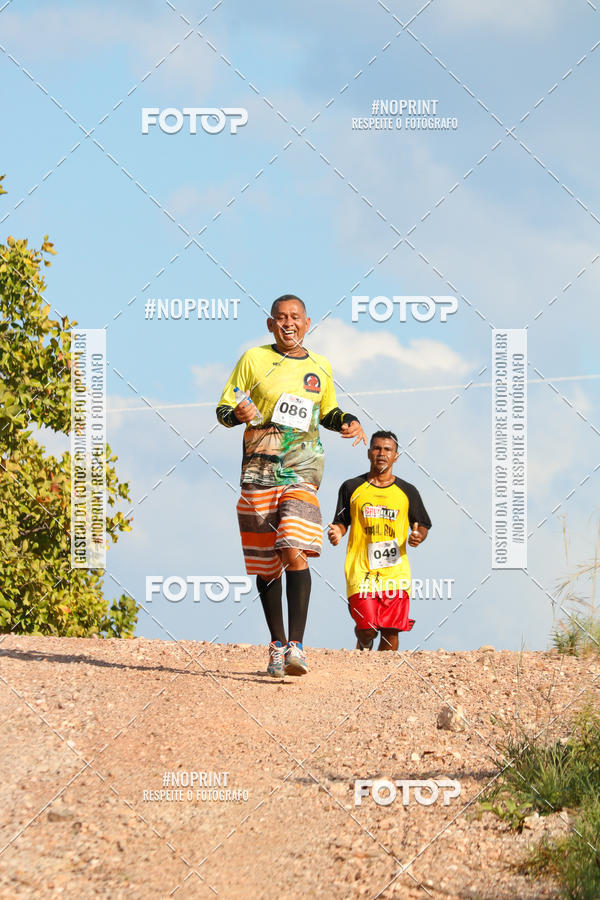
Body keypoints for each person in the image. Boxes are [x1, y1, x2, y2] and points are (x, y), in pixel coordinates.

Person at [217, 294, 367, 677]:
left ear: (307, 323)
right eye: (281, 318)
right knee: (268, 562)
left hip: (302, 470)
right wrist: (237, 413)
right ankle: (277, 645)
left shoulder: (320, 366)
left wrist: (347, 420)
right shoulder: (253, 359)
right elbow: (223, 410)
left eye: (295, 317)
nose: (289, 323)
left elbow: (327, 412)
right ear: (271, 325)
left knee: (294, 544)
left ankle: (296, 647)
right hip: (259, 469)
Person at [328, 430, 431, 651]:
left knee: (391, 630)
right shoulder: (351, 487)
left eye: (387, 449)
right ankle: (363, 644)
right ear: (369, 453)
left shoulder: (407, 491)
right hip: (361, 570)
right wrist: (337, 532)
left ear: (396, 456)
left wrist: (418, 536)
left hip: (395, 572)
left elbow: (422, 524)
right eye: (377, 448)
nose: (382, 453)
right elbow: (341, 522)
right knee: (367, 628)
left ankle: (382, 672)